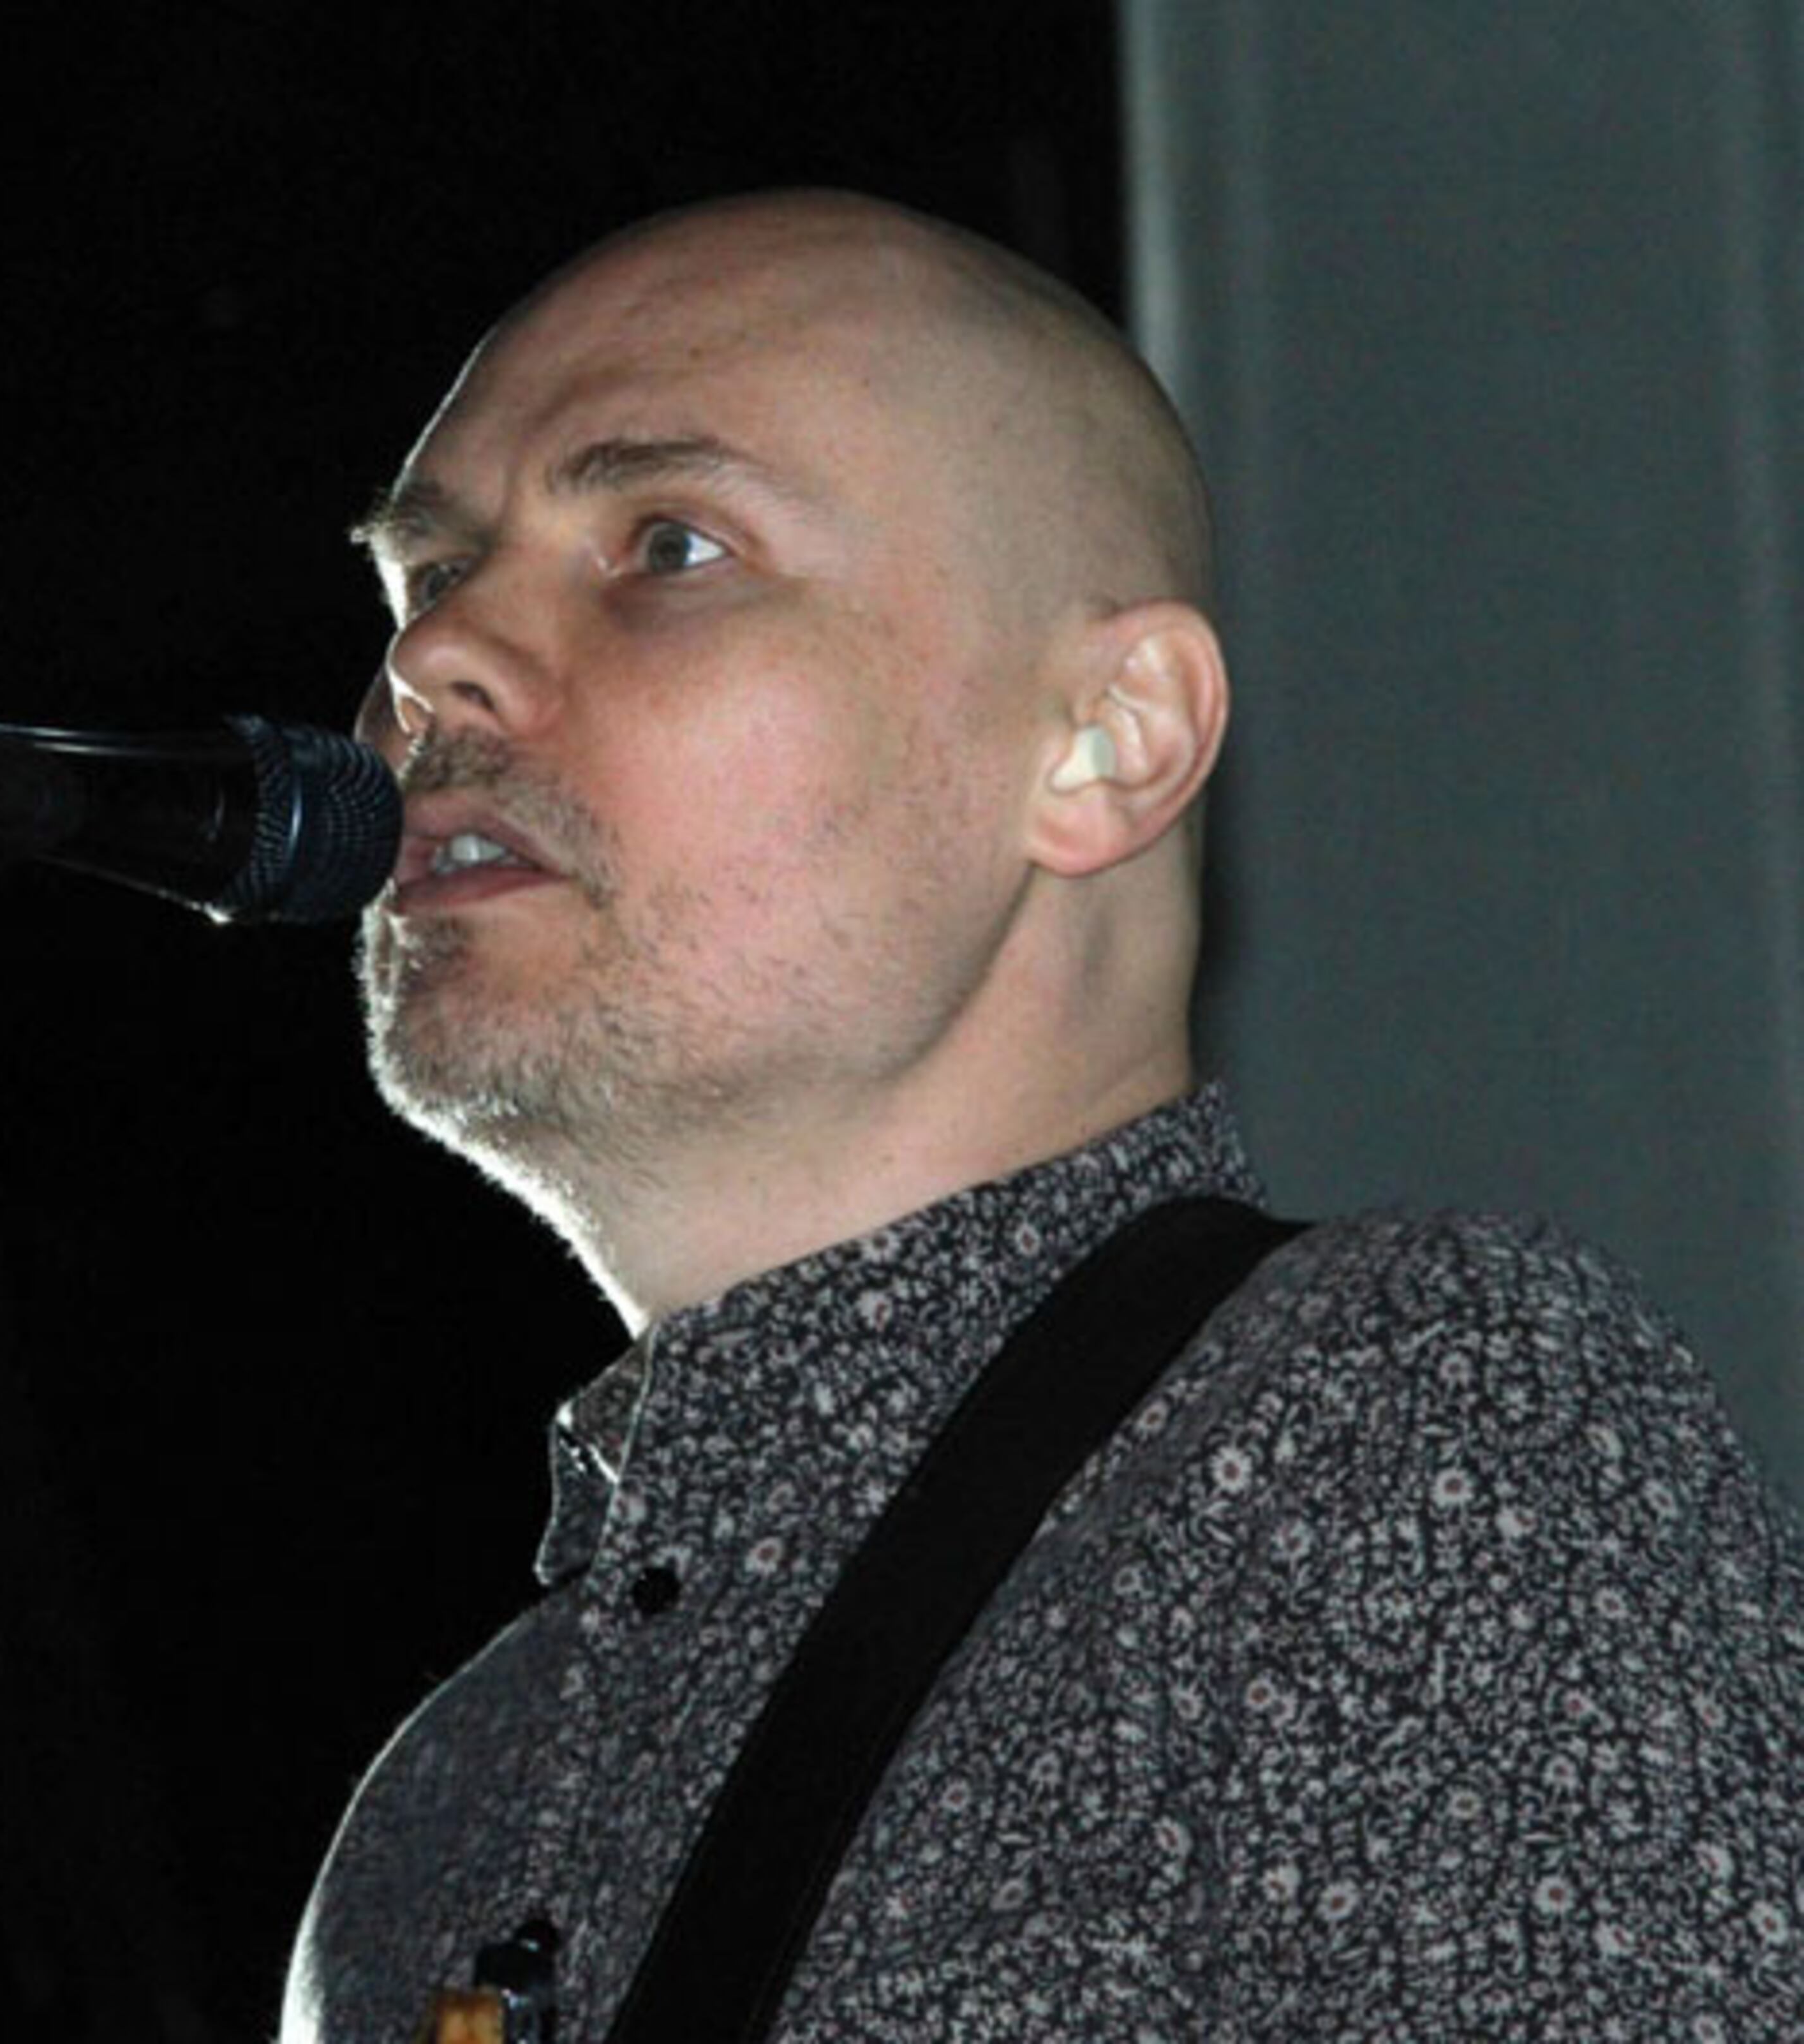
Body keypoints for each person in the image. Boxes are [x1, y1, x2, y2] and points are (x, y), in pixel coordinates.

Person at [284, 189, 1804, 2041]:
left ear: (1109, 740)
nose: (435, 660)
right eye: (431, 574)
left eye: (669, 546)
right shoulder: (444, 1810)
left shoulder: (1386, 1413)